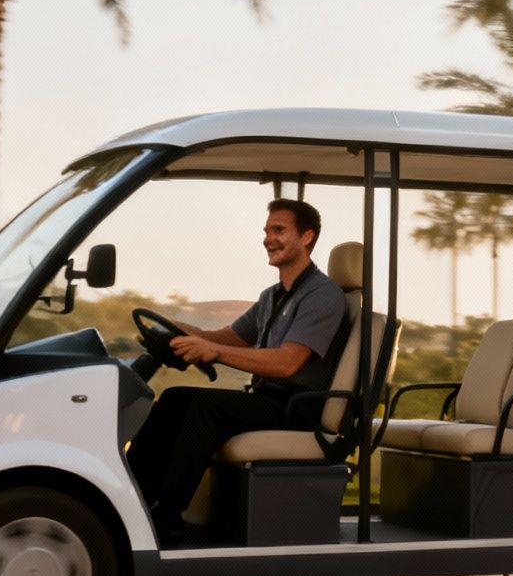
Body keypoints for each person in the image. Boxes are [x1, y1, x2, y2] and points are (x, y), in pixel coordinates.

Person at [125, 199, 349, 541]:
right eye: (266, 230)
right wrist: (176, 328)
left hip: (299, 408)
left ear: (306, 237)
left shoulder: (322, 296)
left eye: (278, 230)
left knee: (206, 408)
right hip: (269, 401)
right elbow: (226, 337)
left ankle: (167, 517)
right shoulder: (274, 296)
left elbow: (287, 362)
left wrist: (214, 351)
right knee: (175, 398)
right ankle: (130, 501)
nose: (268, 239)